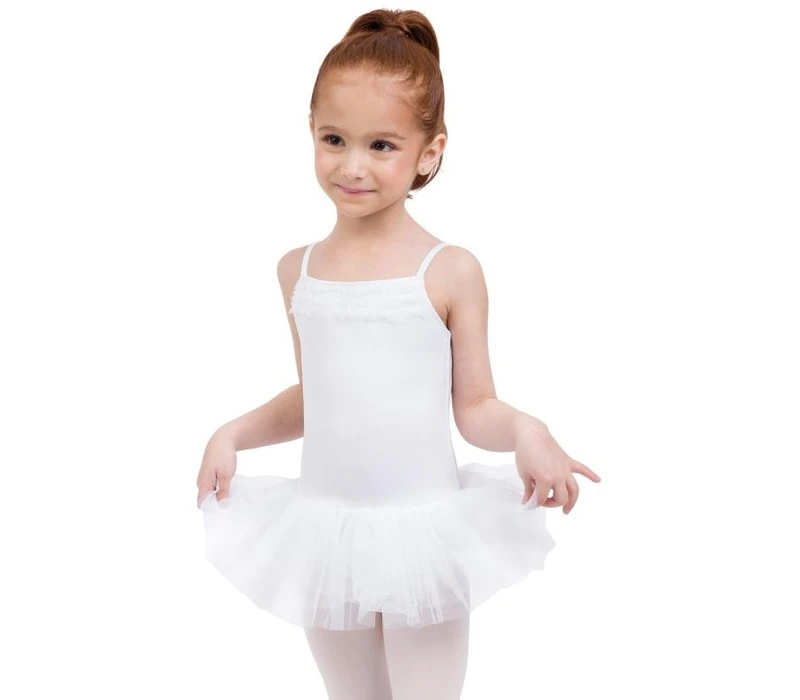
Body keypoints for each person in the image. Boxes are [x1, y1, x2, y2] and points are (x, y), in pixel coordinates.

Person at [196, 8, 601, 699]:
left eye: (382, 145)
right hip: (326, 532)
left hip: (423, 534)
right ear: (311, 131)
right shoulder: (297, 270)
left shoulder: (448, 270)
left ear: (430, 152)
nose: (352, 165)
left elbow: (474, 406)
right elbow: (317, 396)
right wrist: (232, 433)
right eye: (334, 139)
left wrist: (527, 430)